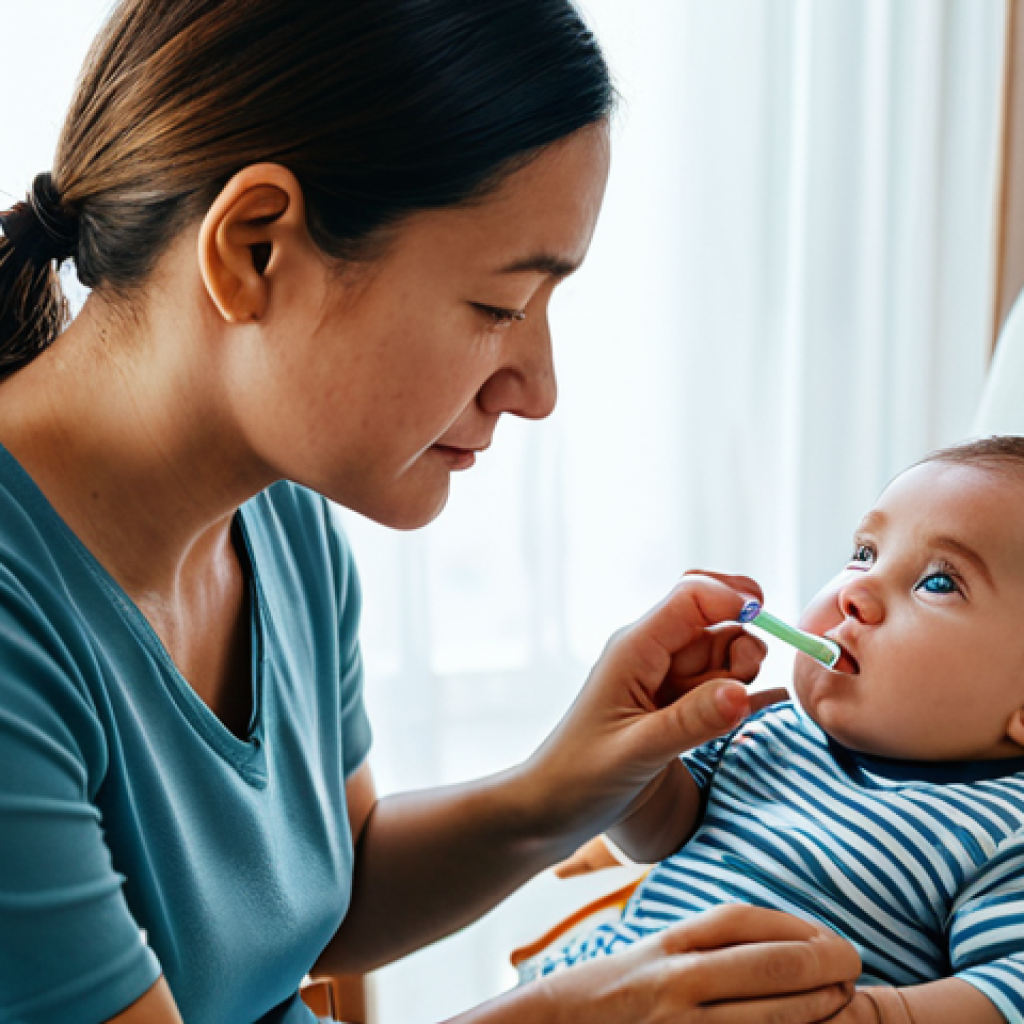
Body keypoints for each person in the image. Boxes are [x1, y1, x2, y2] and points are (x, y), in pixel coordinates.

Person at [0, 2, 863, 1022]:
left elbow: (325, 894)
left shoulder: (279, 523)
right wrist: (567, 1014)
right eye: (499, 306)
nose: (537, 387)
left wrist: (565, 784)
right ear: (254, 247)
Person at [529, 436, 1024, 1024]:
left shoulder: (1004, 832)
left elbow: (1006, 991)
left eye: (938, 582)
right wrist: (647, 748)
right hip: (607, 992)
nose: (853, 592)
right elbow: (651, 838)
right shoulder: (763, 729)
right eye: (865, 553)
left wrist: (877, 1015)